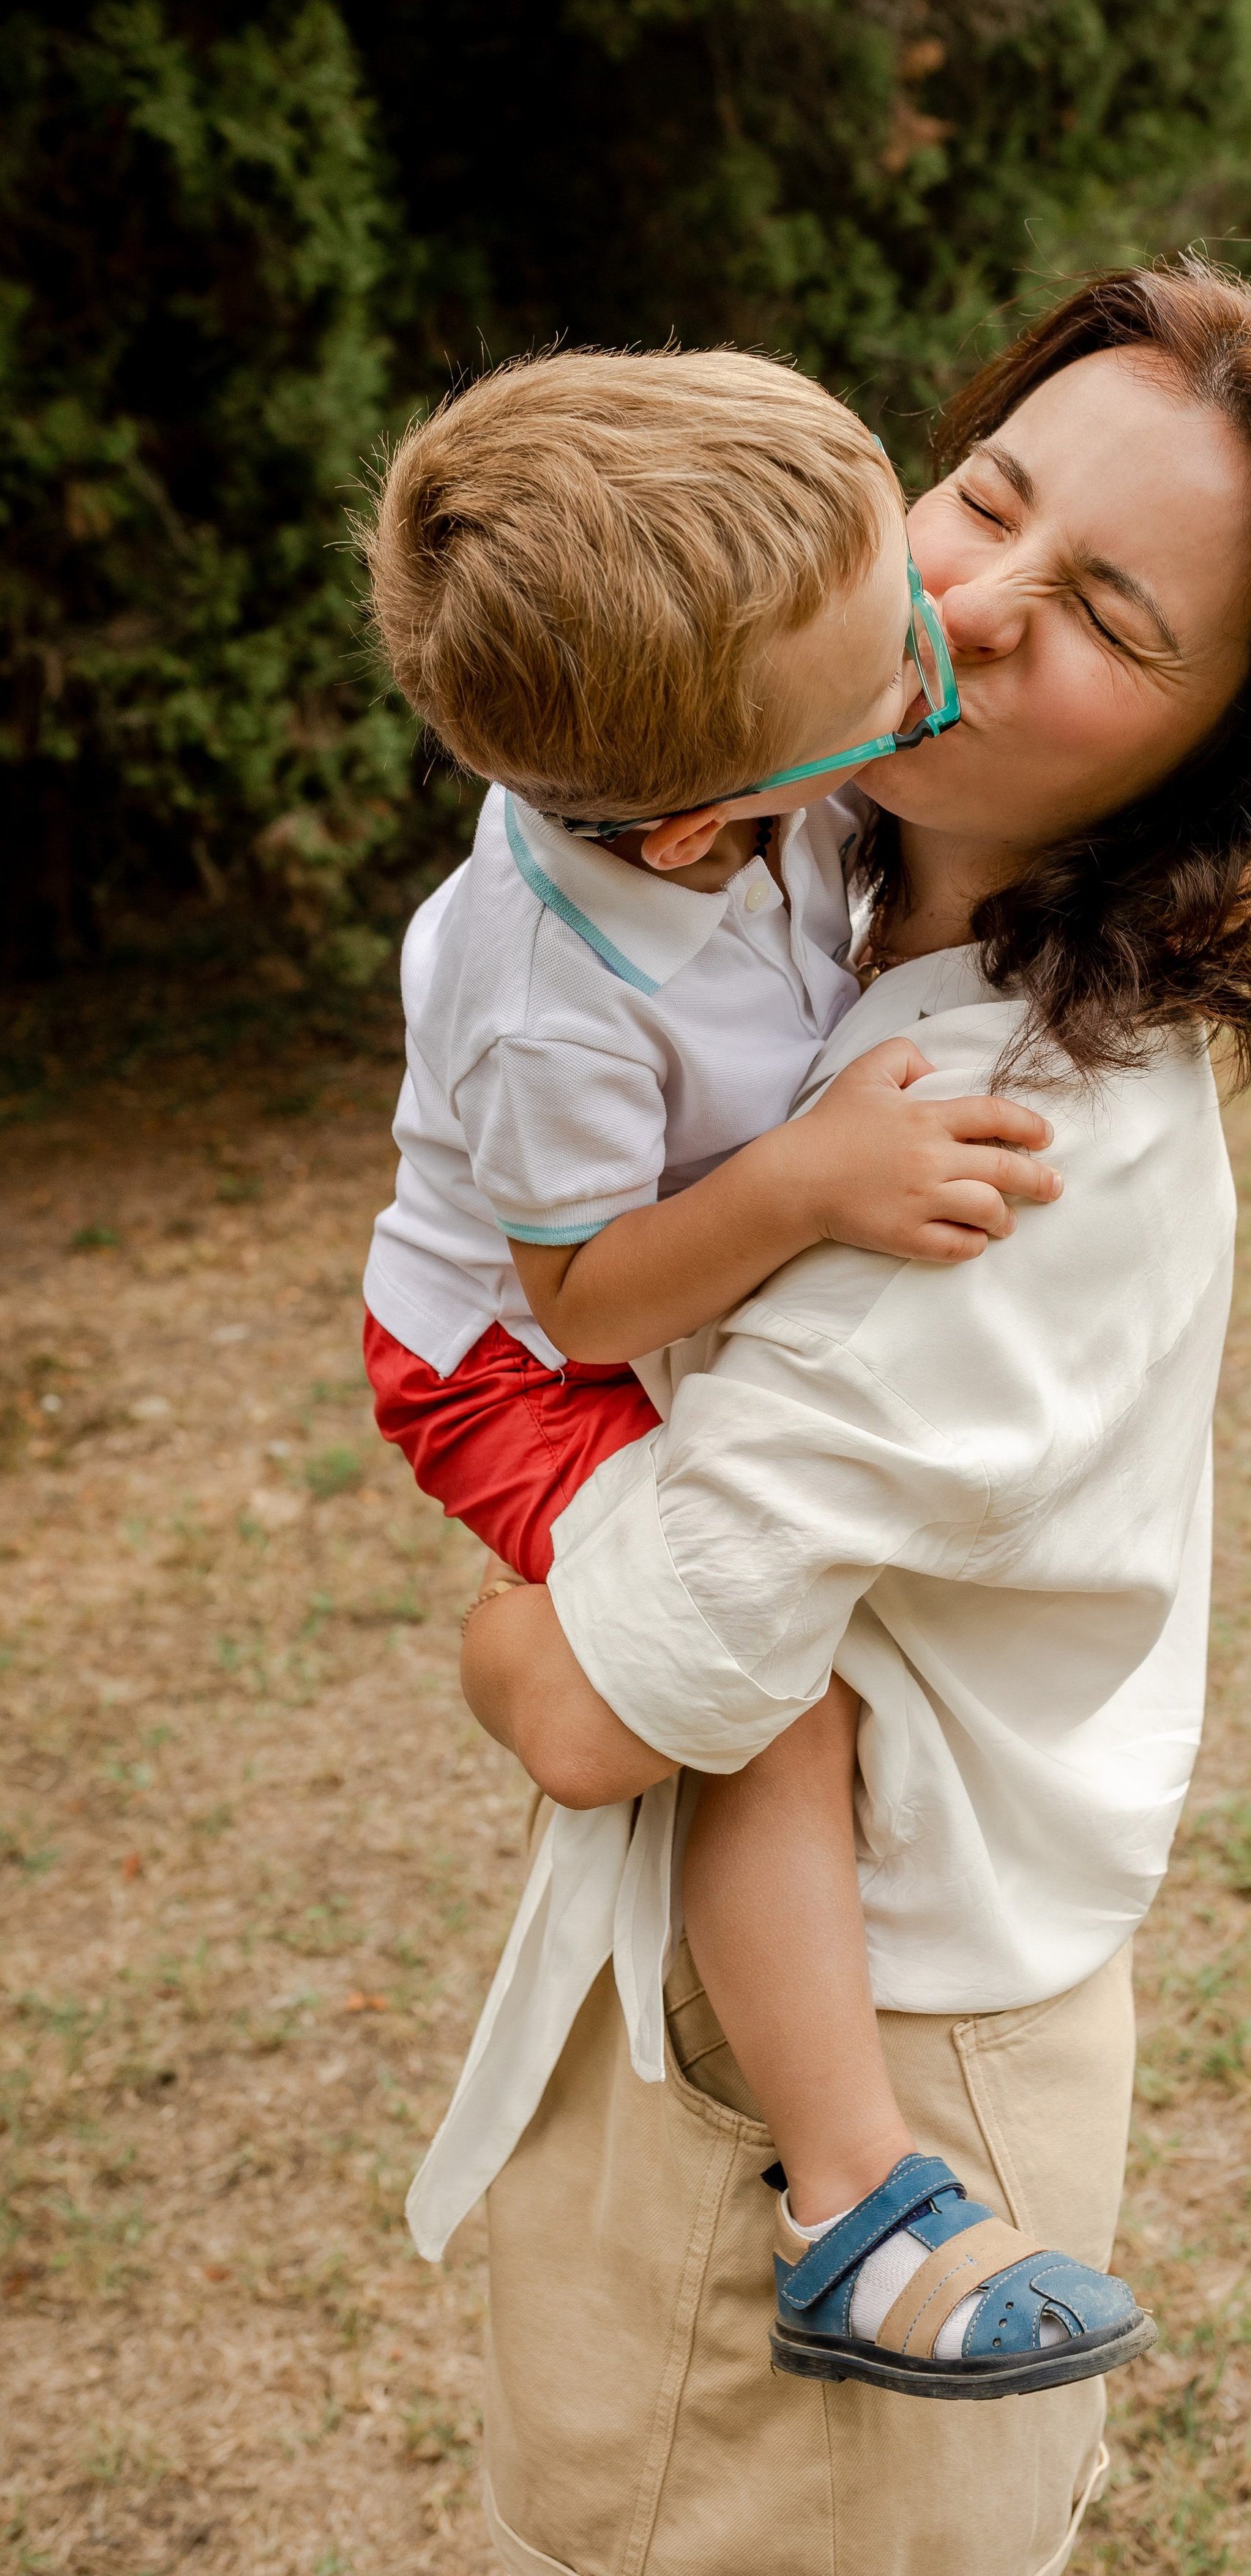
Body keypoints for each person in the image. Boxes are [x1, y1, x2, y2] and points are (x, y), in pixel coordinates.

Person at [415, 259, 1251, 2576]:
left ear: (1228, 756)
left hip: (870, 2065)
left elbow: (599, 1704)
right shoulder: (794, 879)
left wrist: (498, 1629)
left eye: (1102, 609)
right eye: (978, 494)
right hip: (735, 1980)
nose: (968, 596)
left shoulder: (1013, 1136)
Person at [355, 345, 1136, 2392]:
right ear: (716, 820)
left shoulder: (736, 776)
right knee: (757, 1688)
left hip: (614, 1277)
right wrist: (804, 1177)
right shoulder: (543, 995)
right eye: (905, 675)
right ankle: (849, 2203)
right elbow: (589, 1298)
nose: (942, 645)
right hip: (503, 1359)